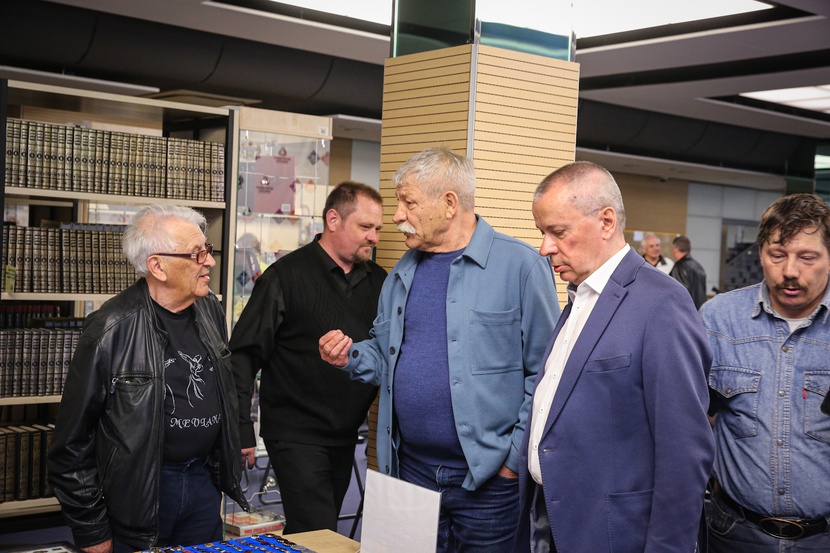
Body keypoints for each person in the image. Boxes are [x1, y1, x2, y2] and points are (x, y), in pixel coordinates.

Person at [319, 147, 559, 552]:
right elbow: (387, 353)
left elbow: (548, 374)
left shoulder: (521, 267)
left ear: (449, 203)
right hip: (411, 473)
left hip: (489, 484)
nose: (397, 215)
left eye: (408, 202)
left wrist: (511, 462)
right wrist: (351, 356)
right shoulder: (402, 273)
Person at [514, 161, 714, 553]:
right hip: (552, 519)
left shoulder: (661, 304)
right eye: (542, 233)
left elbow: (684, 453)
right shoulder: (579, 297)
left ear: (606, 222)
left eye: (557, 232)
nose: (545, 248)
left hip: (613, 533)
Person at [47, 205, 249, 553]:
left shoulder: (211, 310)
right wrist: (92, 530)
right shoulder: (110, 329)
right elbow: (70, 445)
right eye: (197, 253)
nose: (209, 262)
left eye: (207, 250)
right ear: (157, 266)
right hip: (140, 492)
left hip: (203, 483)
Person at [230, 181, 386, 535]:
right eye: (365, 227)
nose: (374, 238)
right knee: (318, 530)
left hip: (346, 434)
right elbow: (242, 358)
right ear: (333, 220)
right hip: (294, 432)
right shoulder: (284, 277)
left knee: (316, 534)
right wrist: (241, 428)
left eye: (378, 229)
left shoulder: (379, 282)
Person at [701, 193, 830, 552]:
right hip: (734, 532)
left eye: (807, 257)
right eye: (777, 255)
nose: (790, 271)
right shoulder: (718, 320)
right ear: (760, 253)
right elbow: (691, 419)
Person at [670, 234, 708, 308]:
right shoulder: (699, 267)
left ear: (675, 249)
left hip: (686, 311)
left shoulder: (680, 267)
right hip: (700, 311)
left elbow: (678, 294)